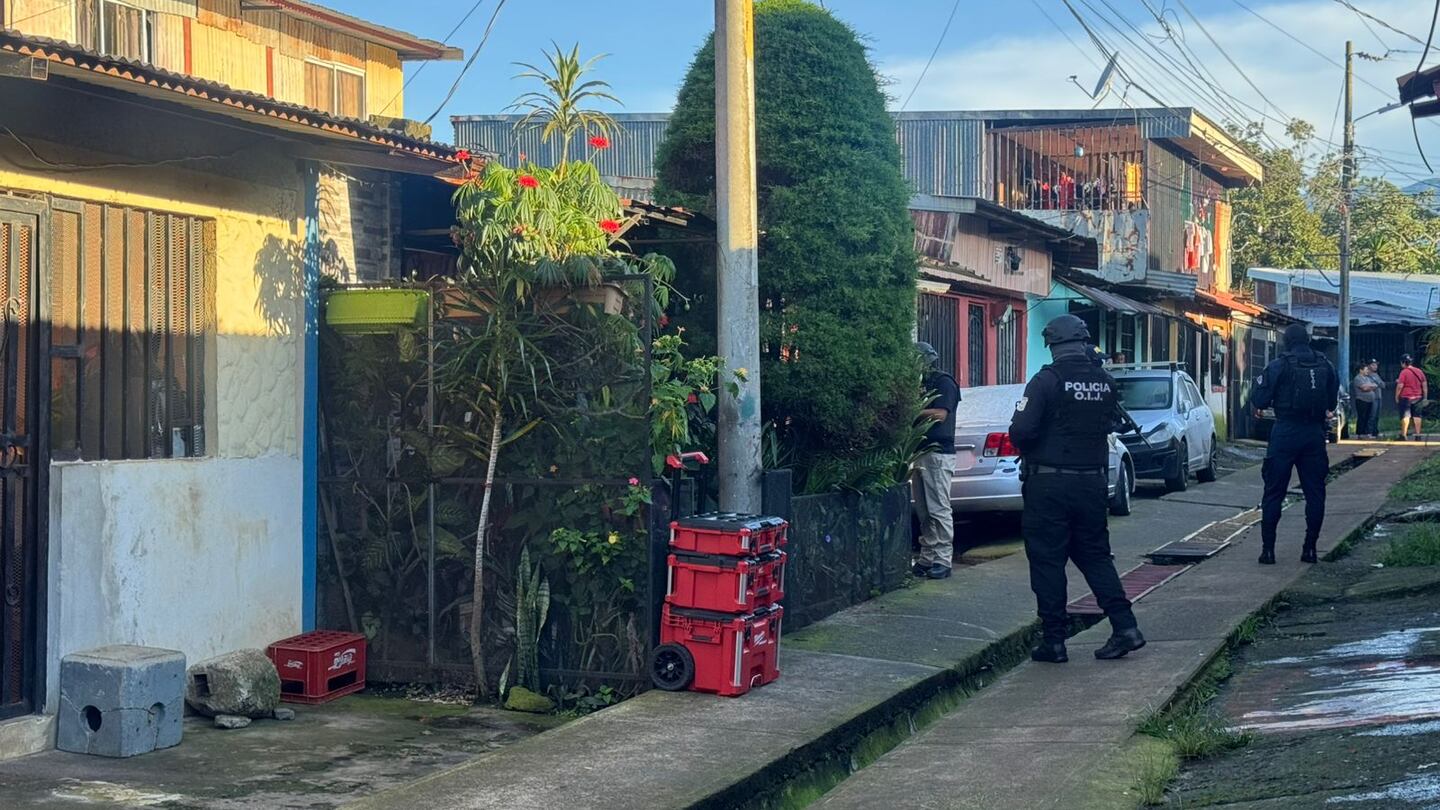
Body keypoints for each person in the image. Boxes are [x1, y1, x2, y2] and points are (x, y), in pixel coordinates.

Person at [1009, 315, 1145, 663]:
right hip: (1092, 483)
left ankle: (1054, 641)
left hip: (1049, 484)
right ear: (1084, 343)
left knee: (1047, 560)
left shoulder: (1046, 381)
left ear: (1053, 345)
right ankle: (1125, 626)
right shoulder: (1105, 382)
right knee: (1096, 556)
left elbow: (1021, 431)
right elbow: (1110, 424)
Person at [1251, 324, 1338, 565]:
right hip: (1314, 433)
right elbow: (1331, 403)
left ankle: (1268, 551)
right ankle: (1310, 549)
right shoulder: (1325, 364)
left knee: (1273, 493)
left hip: (1285, 432)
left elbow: (1259, 399)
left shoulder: (1279, 365)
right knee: (1315, 492)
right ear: (1308, 340)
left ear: (1286, 341)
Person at [912, 342, 961, 580]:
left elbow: (941, 414)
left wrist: (912, 411)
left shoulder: (944, 382)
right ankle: (927, 557)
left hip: (939, 452)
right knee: (924, 511)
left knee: (938, 508)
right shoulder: (920, 383)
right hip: (920, 451)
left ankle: (942, 559)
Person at [1397, 354, 1428, 442]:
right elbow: (1424, 385)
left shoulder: (1404, 372)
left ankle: (1404, 435)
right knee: (1417, 416)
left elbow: (1400, 386)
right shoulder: (1419, 371)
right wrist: (1425, 397)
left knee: (1406, 416)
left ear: (1403, 363)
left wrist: (1397, 396)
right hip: (1418, 397)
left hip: (1406, 397)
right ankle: (1418, 435)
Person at [1351, 360, 1381, 439]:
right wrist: (1370, 387)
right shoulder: (1358, 378)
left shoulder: (1367, 378)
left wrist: (1369, 386)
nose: (1367, 371)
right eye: (1366, 369)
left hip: (1369, 401)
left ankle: (1367, 432)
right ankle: (1360, 433)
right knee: (1362, 417)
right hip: (1361, 400)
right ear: (1361, 370)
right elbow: (1364, 388)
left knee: (1368, 416)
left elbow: (1375, 385)